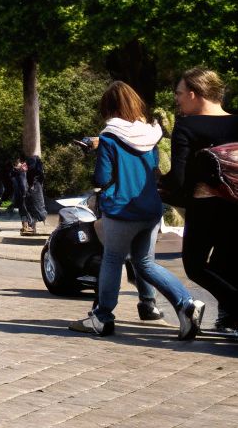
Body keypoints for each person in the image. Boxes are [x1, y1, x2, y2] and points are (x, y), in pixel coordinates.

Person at [70, 81, 206, 340]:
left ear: (108, 108)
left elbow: (101, 178)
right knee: (145, 262)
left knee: (112, 260)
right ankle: (186, 304)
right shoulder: (151, 136)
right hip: (150, 209)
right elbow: (154, 171)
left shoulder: (109, 138)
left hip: (121, 210)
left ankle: (102, 317)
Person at [169, 67, 238, 337]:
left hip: (205, 206)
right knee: (228, 264)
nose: (177, 99)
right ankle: (230, 322)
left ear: (194, 94)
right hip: (235, 205)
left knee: (195, 266)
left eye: (179, 93)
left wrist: (163, 187)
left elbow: (178, 178)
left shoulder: (187, 126)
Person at [22, 152, 48, 236]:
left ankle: (31, 227)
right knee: (32, 207)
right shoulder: (36, 170)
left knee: (32, 207)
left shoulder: (34, 169)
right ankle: (31, 227)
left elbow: (35, 175)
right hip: (33, 188)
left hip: (33, 188)